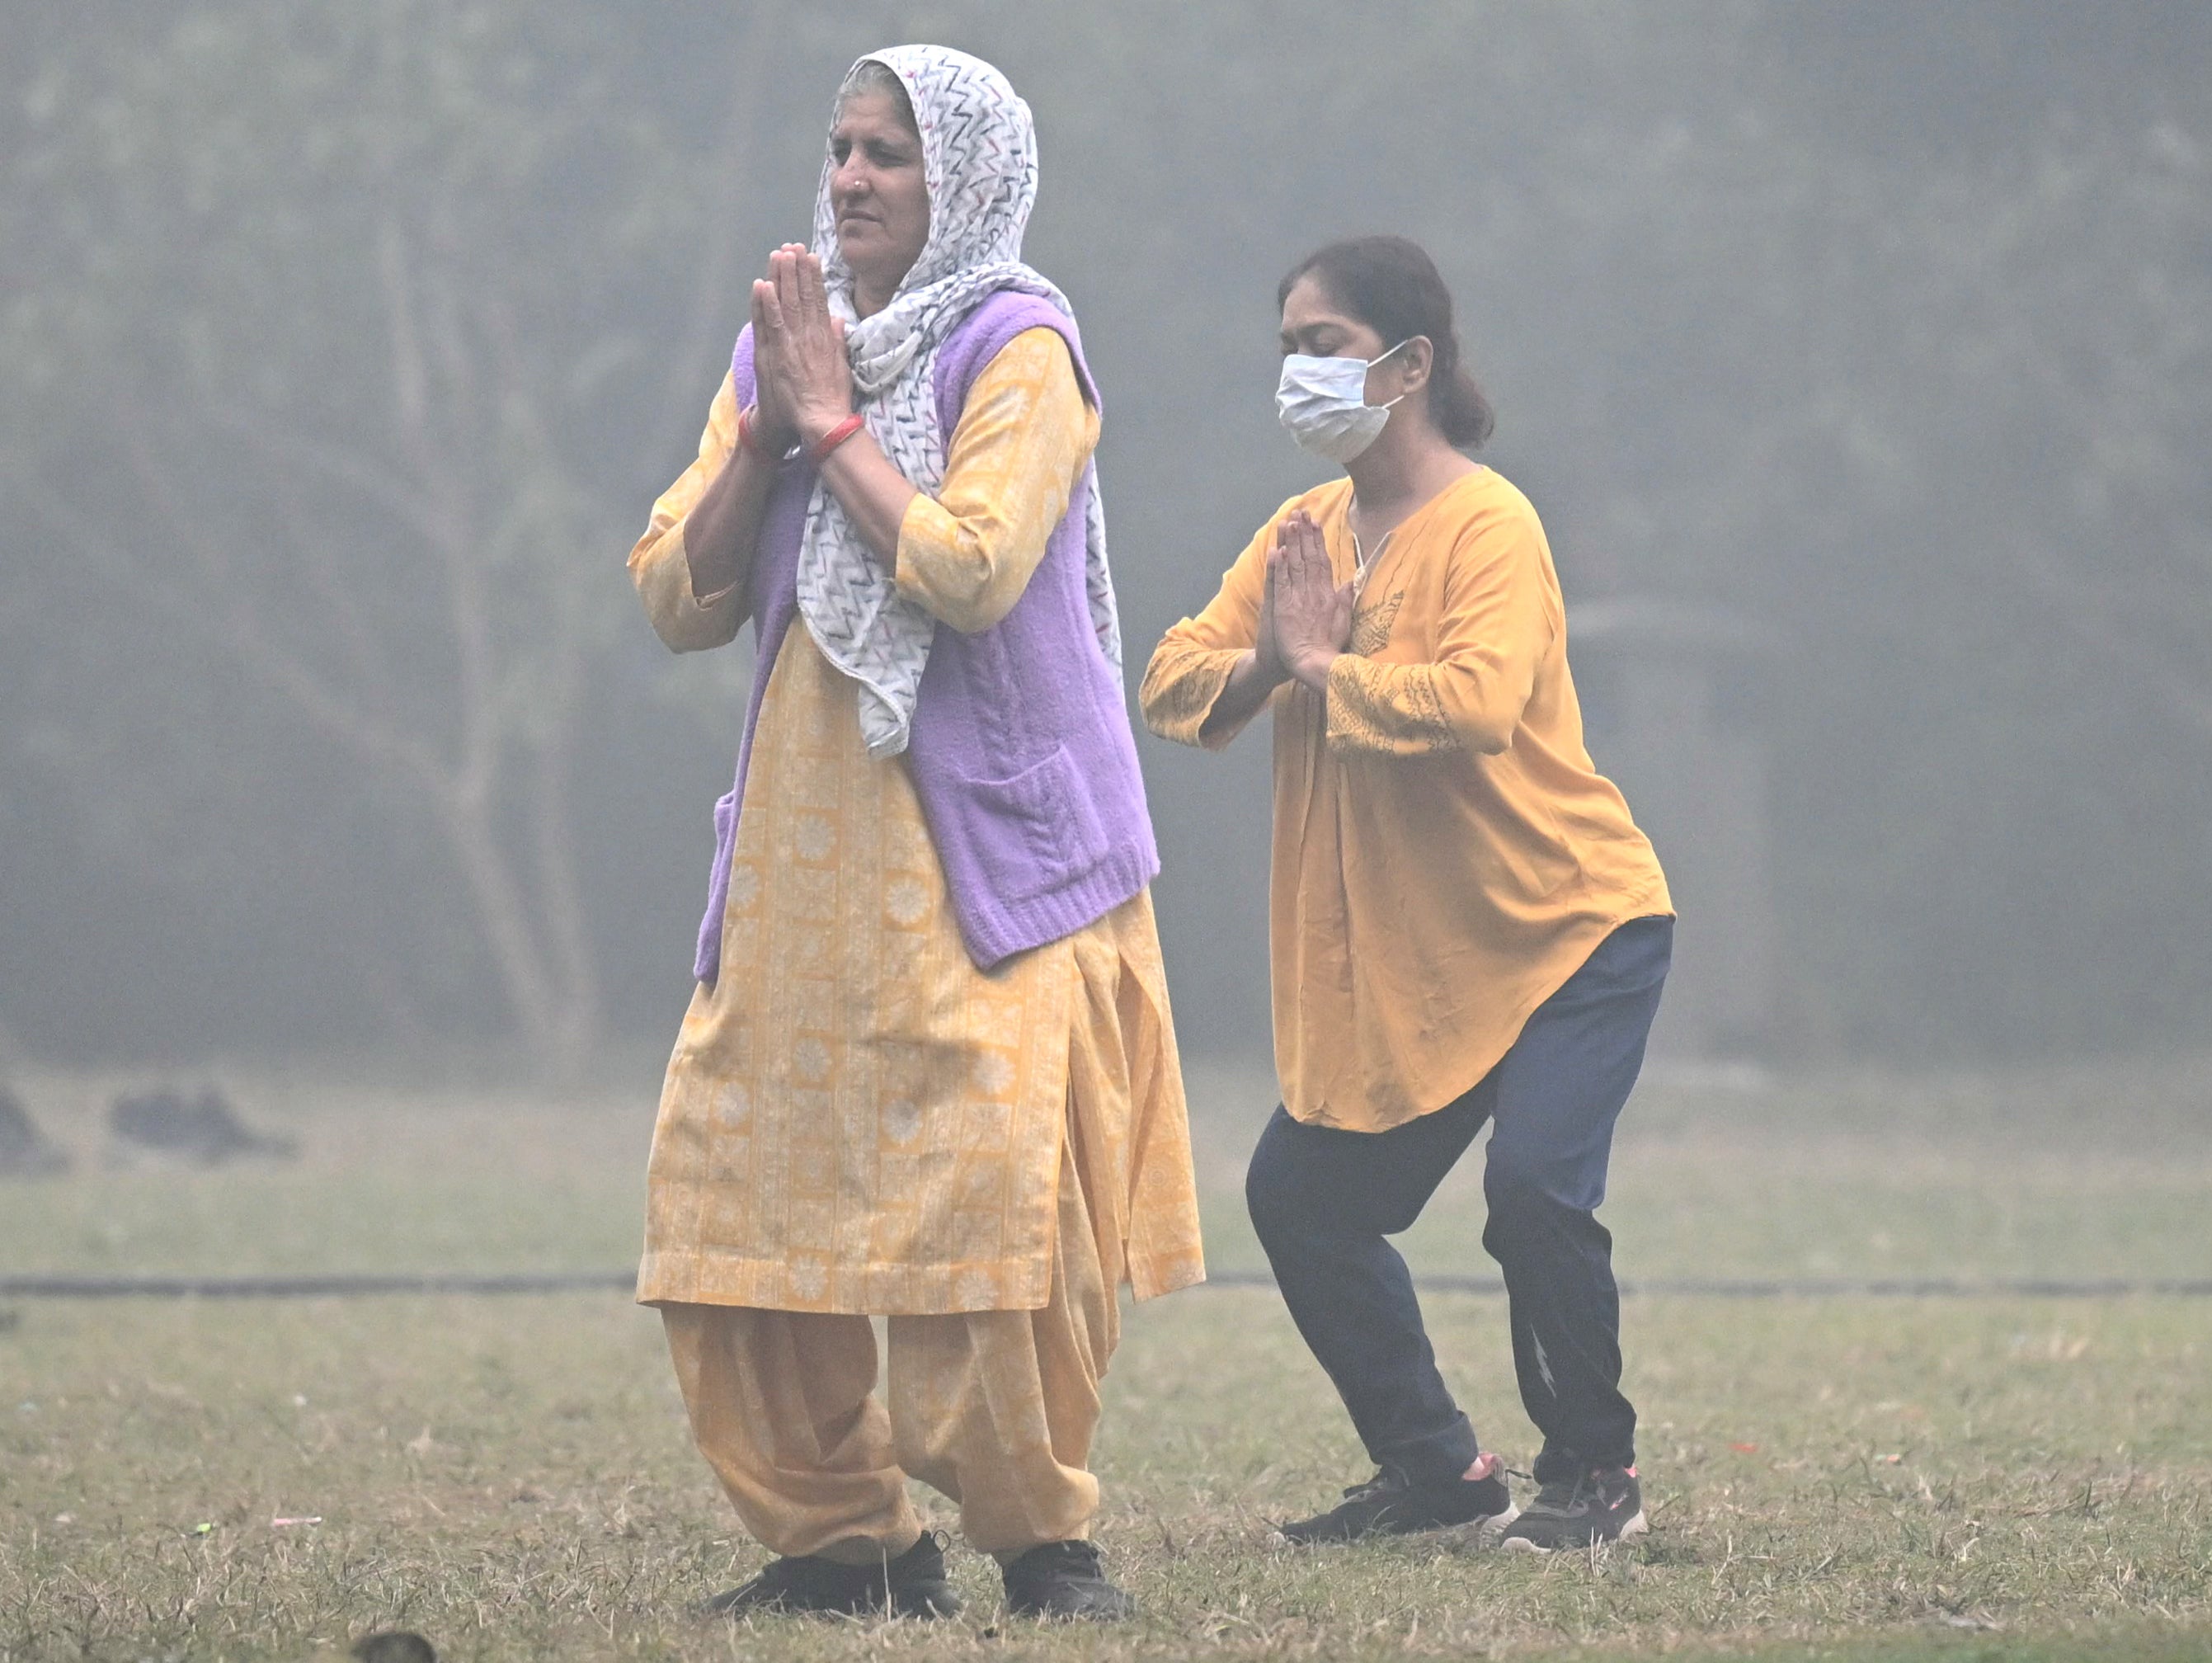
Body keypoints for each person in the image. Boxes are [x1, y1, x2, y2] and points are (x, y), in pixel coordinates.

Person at [627, 46, 1201, 1622]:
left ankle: (1045, 1545)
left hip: (990, 868)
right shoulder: (787, 352)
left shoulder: (1024, 349)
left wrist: (835, 422)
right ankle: (843, 1548)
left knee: (991, 1212)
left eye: (892, 154)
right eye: (842, 147)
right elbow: (679, 594)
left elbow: (967, 571)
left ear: (970, 183)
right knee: (731, 1208)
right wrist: (770, 427)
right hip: (801, 875)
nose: (854, 178)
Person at [1140, 236, 1673, 1552]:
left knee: (1537, 1195)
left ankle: (1594, 1484)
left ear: (1411, 362)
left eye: (1320, 345)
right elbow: (1168, 682)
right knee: (1303, 1200)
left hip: (1568, 927)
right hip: (1425, 962)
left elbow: (1480, 706)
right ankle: (1440, 1475)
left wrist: (1317, 664)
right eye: (1285, 351)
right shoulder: (1302, 533)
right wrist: (1277, 657)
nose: (1296, 374)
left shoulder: (1491, 522)